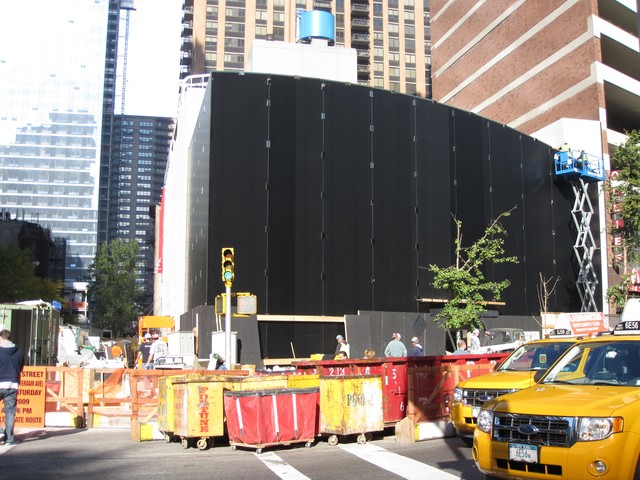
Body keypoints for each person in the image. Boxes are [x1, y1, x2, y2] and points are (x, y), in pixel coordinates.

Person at [0, 330, 25, 445]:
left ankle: (0, 432)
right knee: (10, 412)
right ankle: (9, 439)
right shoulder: (19, 351)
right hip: (13, 384)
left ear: (1, 338)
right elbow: (21, 367)